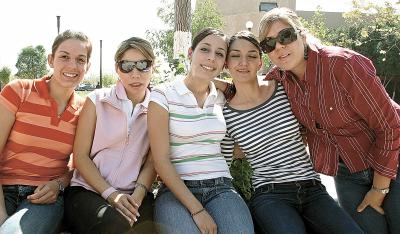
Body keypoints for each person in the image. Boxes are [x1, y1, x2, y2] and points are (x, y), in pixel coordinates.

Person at [251, 7, 400, 233]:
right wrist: (218, 86)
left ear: (301, 34)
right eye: (269, 44)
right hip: (347, 171)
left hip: (392, 160)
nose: (279, 46)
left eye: (286, 36)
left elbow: (389, 126)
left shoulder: (343, 64)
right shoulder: (279, 79)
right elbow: (249, 88)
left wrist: (379, 189)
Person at [218, 30, 363, 234]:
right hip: (269, 195)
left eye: (252, 55)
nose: (244, 62)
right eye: (235, 56)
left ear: (260, 62)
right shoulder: (225, 113)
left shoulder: (282, 88)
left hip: (312, 188)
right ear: (226, 64)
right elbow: (224, 159)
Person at [148, 28, 254, 234]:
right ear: (190, 53)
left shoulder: (223, 98)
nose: (211, 58)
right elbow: (161, 160)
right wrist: (197, 210)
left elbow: (250, 92)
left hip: (221, 187)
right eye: (205, 49)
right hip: (175, 190)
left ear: (224, 63)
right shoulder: (163, 95)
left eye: (219, 53)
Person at [0, 30, 92, 233]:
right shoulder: (18, 91)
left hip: (44, 198)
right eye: (64, 57)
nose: (72, 66)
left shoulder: (86, 110)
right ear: (51, 60)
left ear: (88, 66)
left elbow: (80, 166)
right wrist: (2, 215)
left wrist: (58, 185)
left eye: (80, 59)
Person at [64, 37, 157, 234]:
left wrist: (137, 198)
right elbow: (80, 156)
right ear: (117, 68)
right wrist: (111, 195)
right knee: (115, 226)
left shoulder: (158, 109)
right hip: (87, 190)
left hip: (134, 192)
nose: (135, 73)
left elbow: (152, 162)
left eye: (143, 65)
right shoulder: (96, 100)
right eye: (127, 66)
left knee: (144, 230)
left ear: (152, 67)